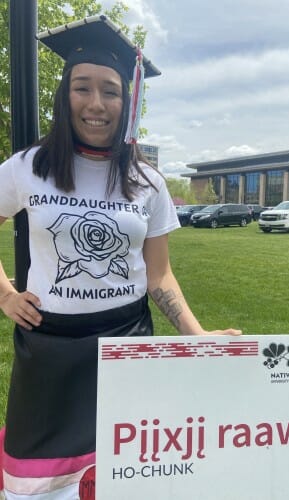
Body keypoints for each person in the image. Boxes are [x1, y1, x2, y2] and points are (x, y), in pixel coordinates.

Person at [0, 15, 241, 499]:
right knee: (38, 486)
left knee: (130, 476)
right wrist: (5, 294)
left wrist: (196, 336)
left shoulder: (146, 181)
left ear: (125, 103)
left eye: (110, 91)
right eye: (82, 87)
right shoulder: (27, 168)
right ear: (63, 95)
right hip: (50, 352)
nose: (96, 103)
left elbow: (159, 275)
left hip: (127, 346)